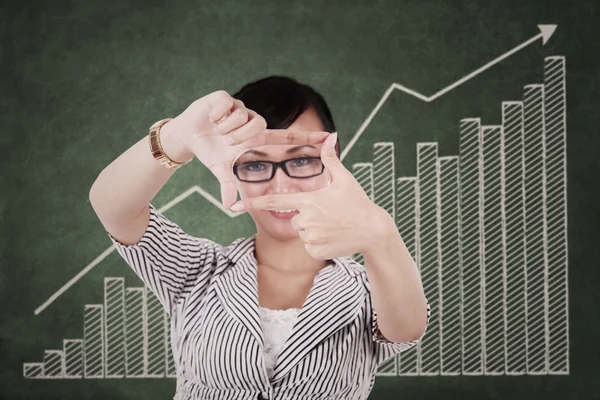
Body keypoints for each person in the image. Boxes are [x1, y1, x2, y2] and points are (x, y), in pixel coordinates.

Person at [89, 75, 430, 400]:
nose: (281, 185)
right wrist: (177, 136)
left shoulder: (371, 286)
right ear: (232, 170)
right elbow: (112, 207)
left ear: (333, 162)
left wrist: (380, 232)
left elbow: (407, 328)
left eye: (302, 159)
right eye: (254, 164)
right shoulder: (197, 271)